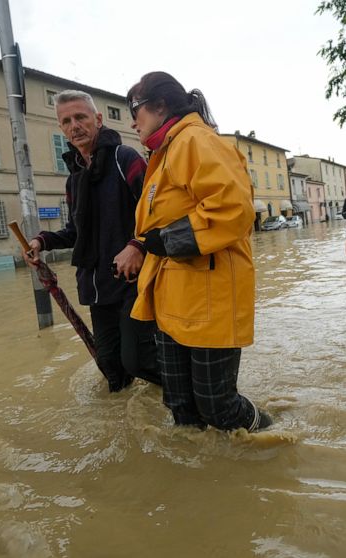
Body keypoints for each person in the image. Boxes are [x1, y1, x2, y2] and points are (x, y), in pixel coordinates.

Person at [125, 71, 272, 432]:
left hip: (209, 297)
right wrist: (146, 244)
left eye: (135, 108)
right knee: (180, 406)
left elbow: (233, 208)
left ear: (160, 106)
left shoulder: (195, 142)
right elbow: (156, 224)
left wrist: (165, 241)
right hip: (173, 299)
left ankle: (271, 433)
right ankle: (200, 477)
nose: (132, 120)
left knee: (218, 407)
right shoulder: (164, 154)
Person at [24, 90, 159, 392]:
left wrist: (137, 244)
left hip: (133, 282)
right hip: (97, 288)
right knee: (111, 368)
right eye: (66, 121)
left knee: (139, 361)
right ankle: (130, 429)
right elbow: (76, 231)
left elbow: (160, 210)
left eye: (81, 117)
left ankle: (193, 401)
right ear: (61, 129)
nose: (75, 126)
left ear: (97, 120)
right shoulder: (74, 179)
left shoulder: (125, 159)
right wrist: (41, 242)